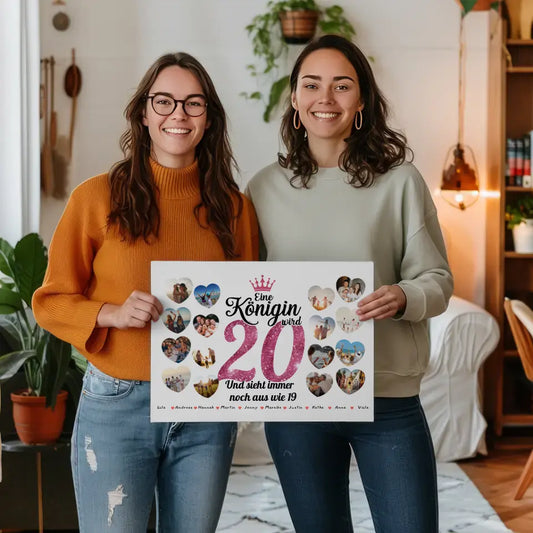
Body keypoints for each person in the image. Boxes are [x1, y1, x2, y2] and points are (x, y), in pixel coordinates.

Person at [33, 52, 258, 532]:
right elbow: (50, 302)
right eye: (164, 101)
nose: (179, 113)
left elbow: (249, 312)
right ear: (143, 113)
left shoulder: (235, 210)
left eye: (193, 103)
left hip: (205, 406)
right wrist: (110, 313)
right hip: (117, 403)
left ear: (209, 118)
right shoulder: (96, 198)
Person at [246, 35, 453, 533]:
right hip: (296, 403)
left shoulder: (400, 181)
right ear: (294, 98)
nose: (326, 98)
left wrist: (403, 296)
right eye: (311, 85)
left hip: (387, 401)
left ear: (361, 101)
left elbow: (439, 281)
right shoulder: (262, 189)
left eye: (342, 85)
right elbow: (246, 290)